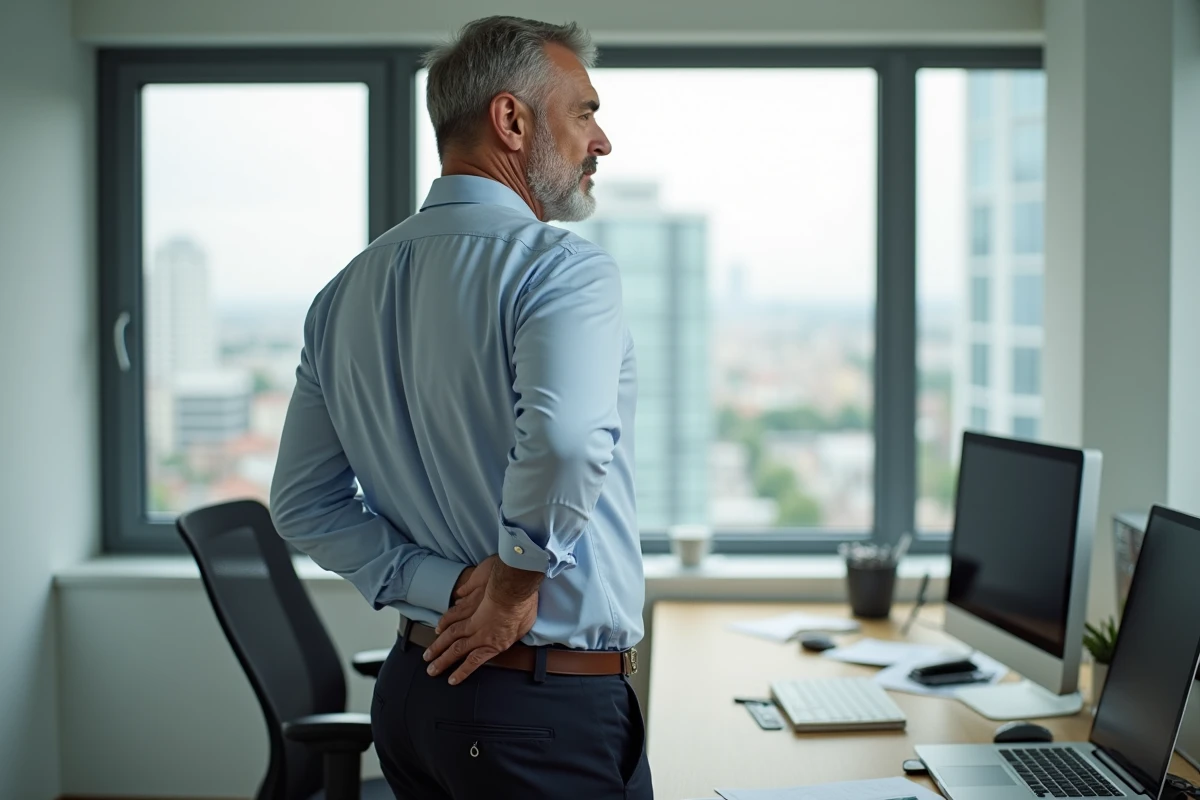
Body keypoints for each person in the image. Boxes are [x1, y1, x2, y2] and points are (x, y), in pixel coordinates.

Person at [269, 14, 651, 799]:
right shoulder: (559, 270)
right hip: (537, 708)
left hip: (417, 699)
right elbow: (570, 441)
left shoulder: (343, 292)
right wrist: (511, 585)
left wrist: (442, 586)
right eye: (584, 111)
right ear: (510, 120)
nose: (602, 142)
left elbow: (302, 504)